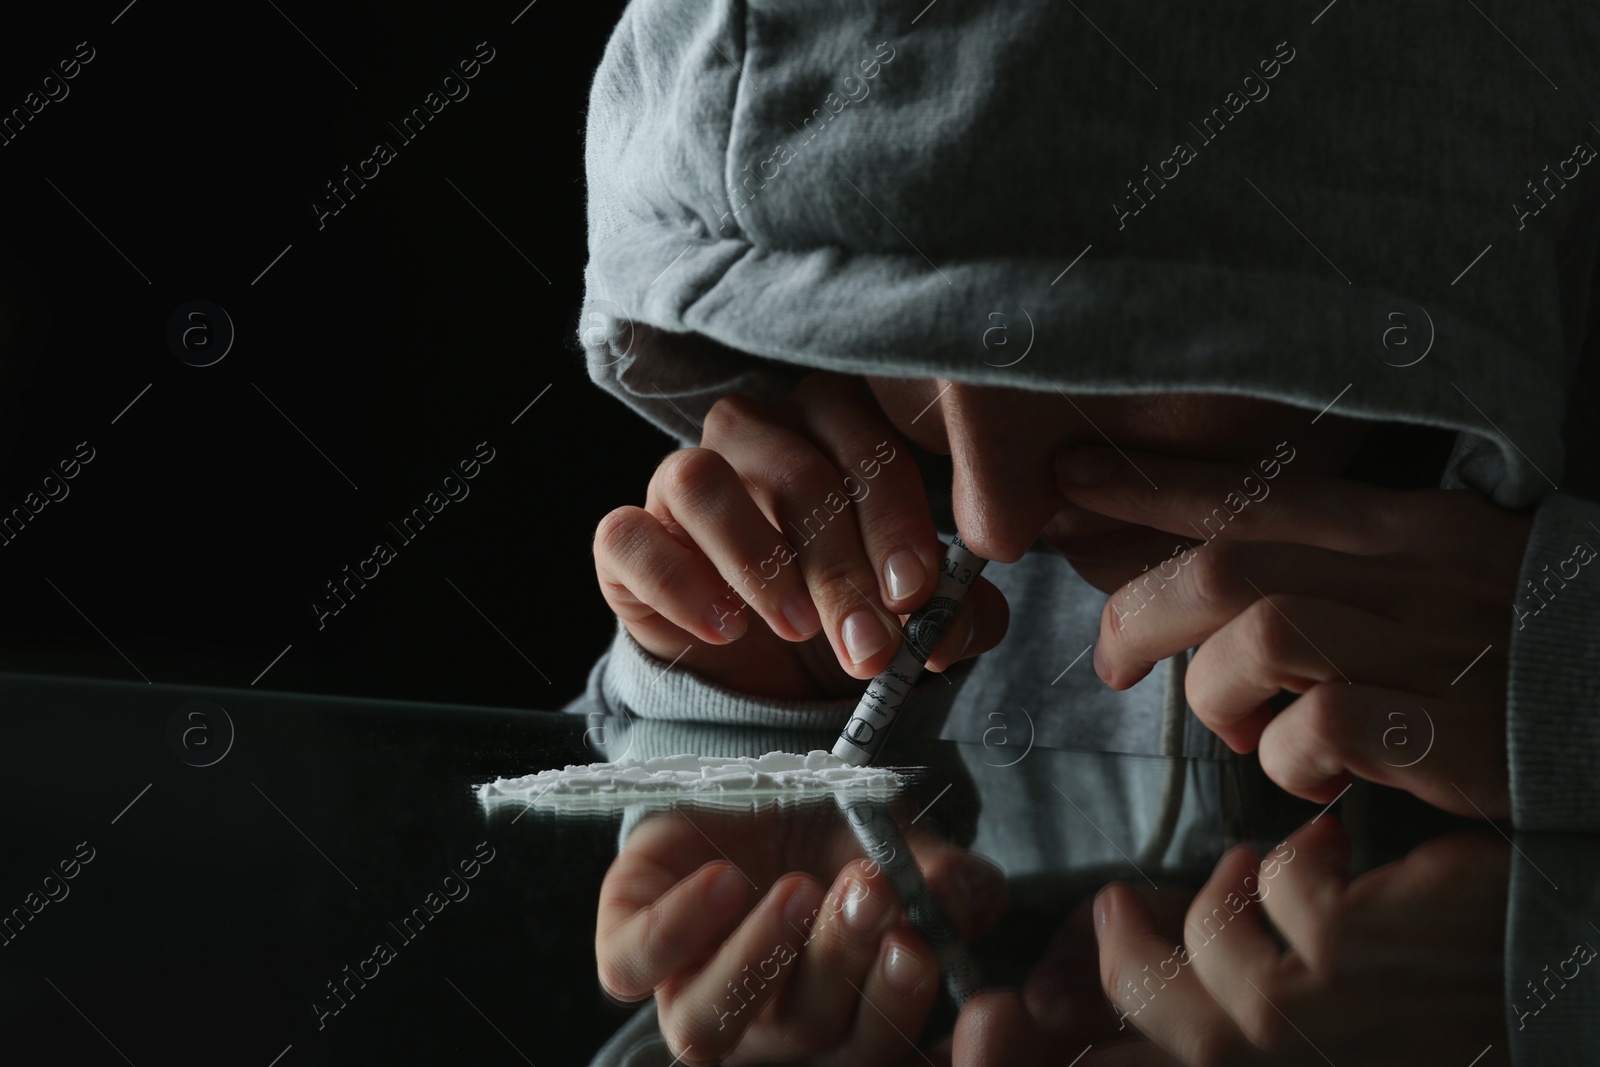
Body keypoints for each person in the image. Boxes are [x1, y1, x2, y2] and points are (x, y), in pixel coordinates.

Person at [572, 1, 1600, 1063]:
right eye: (901, 351)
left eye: (1108, 353)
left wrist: (1571, 684)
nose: (992, 518)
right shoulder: (875, 490)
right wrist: (732, 709)